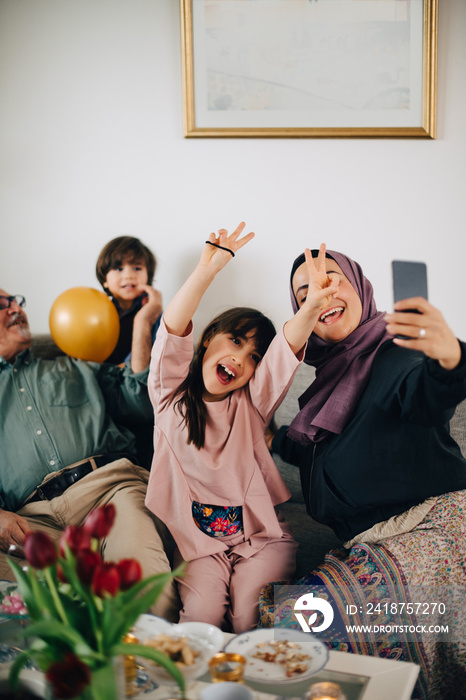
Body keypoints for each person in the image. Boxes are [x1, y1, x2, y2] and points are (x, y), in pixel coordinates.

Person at [261, 247, 466, 699]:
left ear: (359, 285)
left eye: (331, 278)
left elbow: (426, 395)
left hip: (434, 530)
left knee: (295, 626)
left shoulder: (395, 353)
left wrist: (449, 360)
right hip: (376, 543)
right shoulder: (326, 381)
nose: (322, 292)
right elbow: (320, 452)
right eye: (306, 291)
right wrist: (274, 440)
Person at [145, 225, 341, 633]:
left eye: (252, 356)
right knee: (202, 620)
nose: (239, 358)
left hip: (261, 540)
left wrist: (310, 308)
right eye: (234, 341)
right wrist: (205, 272)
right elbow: (173, 329)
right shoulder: (169, 397)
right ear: (207, 340)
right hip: (198, 549)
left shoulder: (251, 405)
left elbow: (285, 351)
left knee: (249, 618)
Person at [0, 290, 179, 621]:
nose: (15, 308)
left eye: (17, 301)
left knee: (144, 588)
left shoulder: (74, 364)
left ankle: (158, 667)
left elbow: (141, 403)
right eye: (2, 303)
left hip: (109, 490)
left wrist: (143, 324)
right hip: (32, 520)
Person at [96, 236, 162, 368]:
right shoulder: (97, 310)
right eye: (119, 269)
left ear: (147, 276)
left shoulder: (153, 313)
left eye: (137, 268)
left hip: (132, 375)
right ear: (105, 280)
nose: (128, 276)